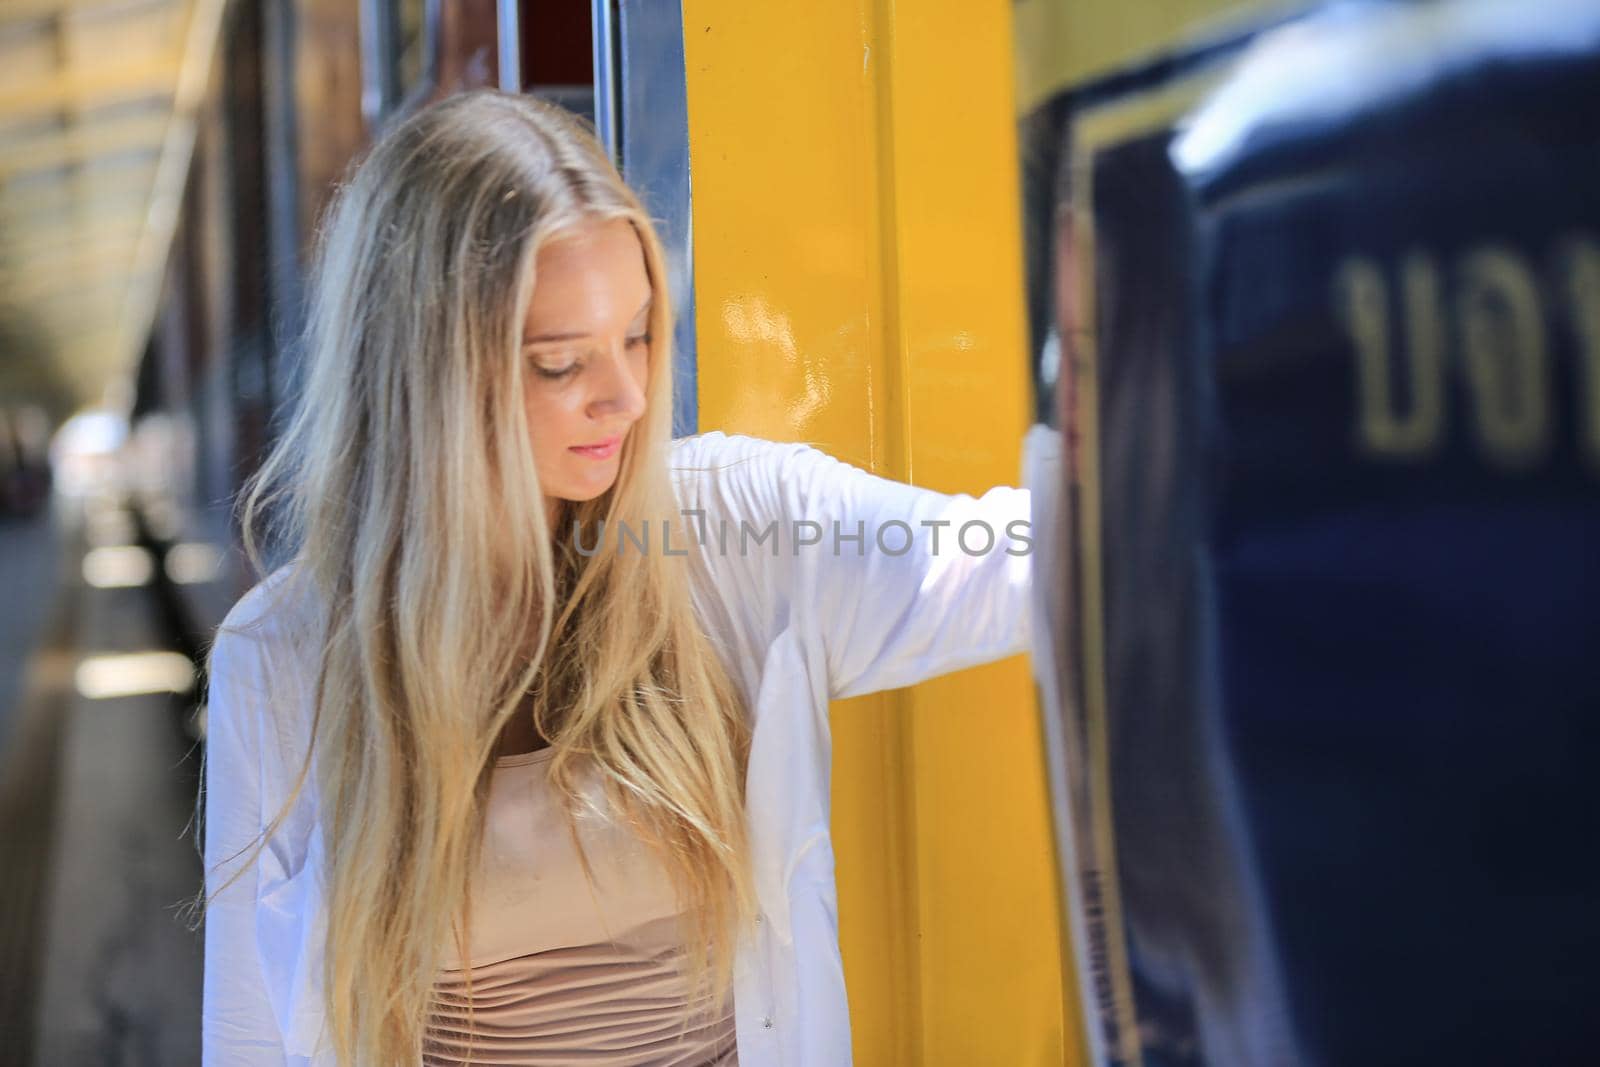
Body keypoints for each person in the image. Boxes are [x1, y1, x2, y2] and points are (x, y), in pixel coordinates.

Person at [196, 89, 1035, 1066]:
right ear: (425, 379)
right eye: (560, 362)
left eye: (637, 333)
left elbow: (1016, 560)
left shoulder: (736, 526)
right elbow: (249, 1036)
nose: (629, 396)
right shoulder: (282, 654)